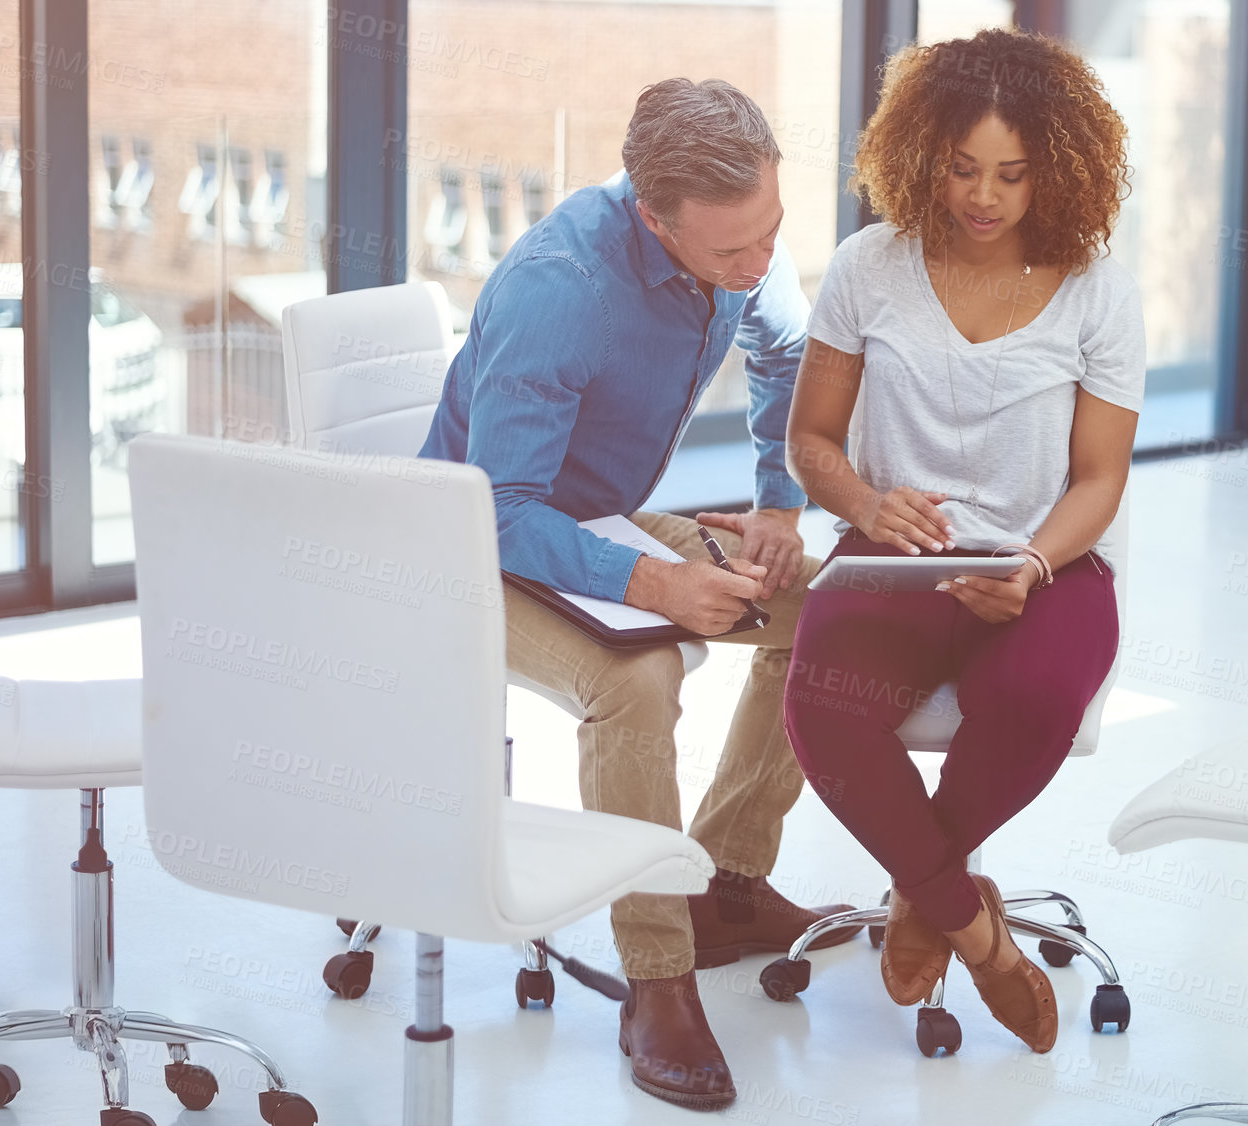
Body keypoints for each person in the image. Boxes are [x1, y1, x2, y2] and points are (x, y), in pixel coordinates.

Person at [419, 78, 857, 1111]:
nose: (757, 269)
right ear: (652, 216)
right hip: (462, 547)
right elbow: (499, 509)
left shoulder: (737, 234)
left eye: (770, 237)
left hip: (598, 517)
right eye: (728, 256)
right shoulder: (558, 288)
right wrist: (655, 581)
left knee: (835, 613)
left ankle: (729, 886)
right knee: (639, 677)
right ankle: (656, 975)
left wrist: (778, 505)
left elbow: (784, 348)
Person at [781, 28, 1142, 1054]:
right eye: (962, 167)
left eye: (1012, 175)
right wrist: (864, 497)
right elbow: (810, 439)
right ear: (923, 151)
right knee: (819, 702)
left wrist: (1030, 561)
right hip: (895, 559)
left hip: (1045, 560)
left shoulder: (1097, 289)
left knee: (1030, 697)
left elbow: (1100, 476)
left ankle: (917, 890)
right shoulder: (868, 267)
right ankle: (976, 933)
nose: (983, 196)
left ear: (1057, 169)